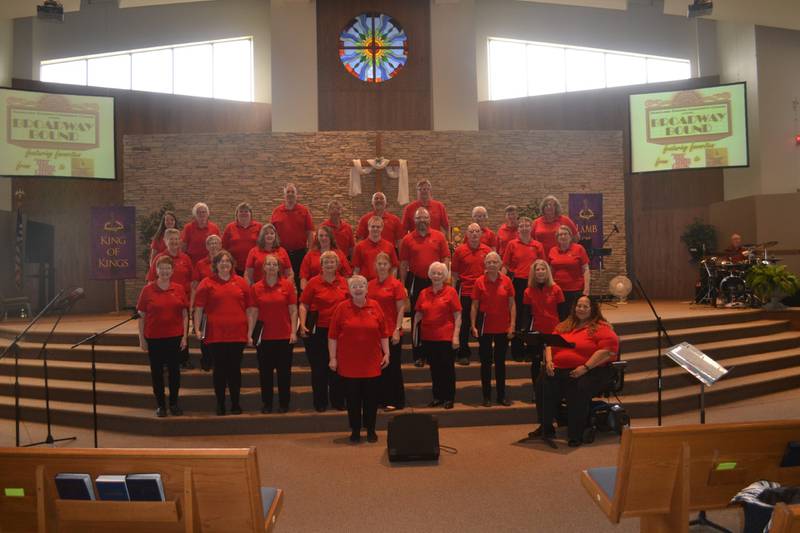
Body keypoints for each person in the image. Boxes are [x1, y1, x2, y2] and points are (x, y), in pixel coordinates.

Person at [537, 296, 619, 447]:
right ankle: (546, 427)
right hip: (561, 369)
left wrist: (585, 367)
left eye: (585, 306)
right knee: (544, 383)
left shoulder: (602, 328)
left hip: (592, 370)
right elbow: (550, 344)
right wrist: (548, 362)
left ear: (593, 309)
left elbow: (608, 351)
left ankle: (576, 433)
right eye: (578, 306)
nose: (580, 309)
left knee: (577, 388)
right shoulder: (564, 325)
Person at [329, 275, 390, 443]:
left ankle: (371, 429)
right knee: (353, 400)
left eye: (361, 285)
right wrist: (332, 358)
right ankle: (355, 430)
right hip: (349, 364)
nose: (358, 288)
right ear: (349, 290)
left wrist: (387, 353)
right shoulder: (341, 308)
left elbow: (384, 333)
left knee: (371, 400)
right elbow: (332, 336)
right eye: (354, 286)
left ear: (366, 288)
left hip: (372, 362)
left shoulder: (375, 306)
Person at [193, 250, 254, 416]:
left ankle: (235, 403)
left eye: (228, 261)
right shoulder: (206, 283)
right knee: (219, 370)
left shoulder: (241, 283)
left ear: (232, 264)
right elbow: (198, 309)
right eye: (221, 261)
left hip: (238, 333)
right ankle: (220, 404)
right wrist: (197, 328)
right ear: (216, 265)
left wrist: (250, 332)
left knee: (234, 369)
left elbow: (249, 310)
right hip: (215, 334)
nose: (225, 264)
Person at [137, 255, 189, 417]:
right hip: (154, 338)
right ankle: (161, 405)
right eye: (161, 268)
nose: (165, 271)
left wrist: (184, 336)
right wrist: (141, 339)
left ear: (172, 270)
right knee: (157, 373)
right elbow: (142, 316)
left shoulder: (179, 288)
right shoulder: (147, 290)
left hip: (174, 337)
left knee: (175, 373)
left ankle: (174, 403)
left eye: (168, 268)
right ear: (156, 270)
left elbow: (185, 314)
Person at [399, 207, 451, 367]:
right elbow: (403, 264)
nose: (422, 220)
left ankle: (433, 352)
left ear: (429, 219)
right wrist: (402, 285)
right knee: (418, 317)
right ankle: (418, 354)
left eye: (425, 218)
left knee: (437, 316)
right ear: (414, 221)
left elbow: (446, 258)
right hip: (416, 280)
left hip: (435, 281)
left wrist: (444, 277)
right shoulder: (407, 239)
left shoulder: (439, 236)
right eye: (419, 218)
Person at [299, 250, 348, 412]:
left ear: (337, 265)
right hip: (318, 331)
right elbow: (304, 305)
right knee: (319, 368)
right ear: (321, 265)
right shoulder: (313, 283)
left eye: (332, 262)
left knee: (338, 367)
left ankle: (338, 401)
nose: (329, 264)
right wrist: (302, 324)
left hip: (339, 331)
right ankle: (320, 402)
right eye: (326, 262)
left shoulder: (344, 283)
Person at [248, 255, 298, 414]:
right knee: (265, 374)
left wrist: (293, 331)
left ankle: (284, 403)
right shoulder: (256, 287)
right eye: (268, 264)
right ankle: (267, 403)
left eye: (274, 264)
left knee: (284, 373)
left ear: (278, 268)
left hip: (284, 336)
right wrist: (249, 333)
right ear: (264, 268)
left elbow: (293, 310)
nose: (271, 267)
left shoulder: (287, 286)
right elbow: (253, 312)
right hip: (264, 338)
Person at [413, 262, 461, 409]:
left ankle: (449, 398)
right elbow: (419, 313)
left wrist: (456, 336)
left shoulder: (451, 292)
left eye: (440, 273)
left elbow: (458, 315)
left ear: (445, 276)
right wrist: (415, 332)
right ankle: (437, 397)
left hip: (445, 336)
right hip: (428, 337)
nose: (436, 276)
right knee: (434, 369)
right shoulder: (423, 293)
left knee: (447, 369)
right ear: (430, 275)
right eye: (434, 273)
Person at [470, 252, 515, 407]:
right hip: (485, 328)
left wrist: (512, 325)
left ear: (500, 264)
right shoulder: (479, 282)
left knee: (500, 363)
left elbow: (512, 304)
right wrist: (473, 325)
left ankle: (501, 396)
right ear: (485, 264)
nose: (492, 264)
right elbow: (474, 306)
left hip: (502, 327)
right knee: (486, 362)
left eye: (495, 262)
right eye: (489, 262)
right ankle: (487, 396)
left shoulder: (507, 281)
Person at [146, 228, 194, 369]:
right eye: (170, 239)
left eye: (176, 239)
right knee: (167, 331)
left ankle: (183, 359)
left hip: (182, 299)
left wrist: (191, 300)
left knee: (182, 330)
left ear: (180, 241)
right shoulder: (159, 258)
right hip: (163, 301)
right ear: (165, 241)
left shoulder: (185, 258)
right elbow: (150, 280)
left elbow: (191, 281)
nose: (174, 242)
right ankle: (167, 361)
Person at [523, 259, 564, 416]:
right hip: (537, 332)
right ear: (534, 273)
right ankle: (537, 391)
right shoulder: (528, 291)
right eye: (537, 269)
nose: (540, 272)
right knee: (536, 363)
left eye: (543, 269)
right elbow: (526, 314)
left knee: (553, 363)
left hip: (554, 331)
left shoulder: (556, 289)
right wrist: (526, 332)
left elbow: (563, 312)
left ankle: (555, 393)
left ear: (547, 272)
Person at [502, 216, 545, 362]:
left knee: (532, 316)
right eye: (522, 225)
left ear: (531, 228)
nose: (525, 227)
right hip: (518, 284)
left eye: (527, 225)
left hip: (534, 284)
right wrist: (513, 273)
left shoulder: (538, 245)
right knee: (519, 316)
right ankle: (517, 350)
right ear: (518, 229)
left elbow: (542, 265)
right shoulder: (512, 244)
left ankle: (531, 351)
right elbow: (506, 264)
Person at [368, 252, 407, 411]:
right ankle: (379, 399)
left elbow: (401, 308)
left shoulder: (396, 284)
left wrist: (398, 329)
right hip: (374, 333)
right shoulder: (370, 285)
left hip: (391, 331)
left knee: (392, 368)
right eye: (379, 264)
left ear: (389, 266)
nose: (382, 266)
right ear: (375, 266)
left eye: (385, 264)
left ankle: (394, 400)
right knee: (376, 367)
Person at [451, 223, 491, 366]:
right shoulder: (459, 251)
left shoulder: (487, 250)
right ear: (467, 234)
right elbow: (454, 273)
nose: (474, 234)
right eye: (471, 231)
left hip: (482, 293)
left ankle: (484, 353)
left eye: (477, 231)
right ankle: (463, 353)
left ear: (481, 234)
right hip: (465, 291)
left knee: (482, 322)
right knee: (464, 323)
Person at [271, 183, 314, 292]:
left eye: (292, 192)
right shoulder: (276, 211)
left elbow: (310, 232)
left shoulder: (304, 211)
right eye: (288, 192)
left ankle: (300, 305)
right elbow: (271, 232)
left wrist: (310, 250)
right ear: (284, 195)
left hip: (300, 253)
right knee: (281, 280)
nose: (290, 194)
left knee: (300, 281)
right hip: (281, 253)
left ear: (296, 195)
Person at [190, 234, 222, 372]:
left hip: (220, 304)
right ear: (207, 247)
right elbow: (195, 286)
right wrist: (192, 304)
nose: (213, 245)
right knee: (204, 334)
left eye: (216, 243)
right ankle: (206, 359)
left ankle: (218, 360)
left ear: (220, 245)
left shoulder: (226, 261)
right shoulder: (200, 264)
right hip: (204, 305)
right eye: (211, 243)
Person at [548, 225, 590, 321]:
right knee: (561, 316)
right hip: (558, 290)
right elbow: (551, 270)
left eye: (565, 234)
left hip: (576, 289)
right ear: (557, 238)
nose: (563, 236)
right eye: (560, 235)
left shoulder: (579, 248)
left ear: (570, 236)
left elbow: (586, 269)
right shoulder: (553, 250)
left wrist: (587, 288)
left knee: (576, 317)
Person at [299, 225, 351, 290]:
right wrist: (305, 291)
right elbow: (303, 277)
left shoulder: (339, 254)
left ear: (331, 237)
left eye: (326, 235)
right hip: (315, 289)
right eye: (321, 235)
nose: (324, 238)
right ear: (317, 238)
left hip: (336, 289)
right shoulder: (310, 255)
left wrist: (343, 289)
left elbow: (347, 274)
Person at [352, 216, 398, 281]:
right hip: (366, 284)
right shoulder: (359, 246)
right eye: (373, 226)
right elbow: (356, 270)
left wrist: (392, 283)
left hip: (384, 284)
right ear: (368, 227)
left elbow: (394, 268)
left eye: (378, 227)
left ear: (382, 228)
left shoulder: (389, 246)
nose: (375, 229)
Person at [222, 202, 262, 276]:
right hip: (234, 267)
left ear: (251, 214)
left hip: (254, 267)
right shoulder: (230, 227)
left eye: (246, 211)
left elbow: (263, 245)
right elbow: (223, 247)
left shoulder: (259, 227)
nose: (243, 213)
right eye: (241, 211)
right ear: (236, 214)